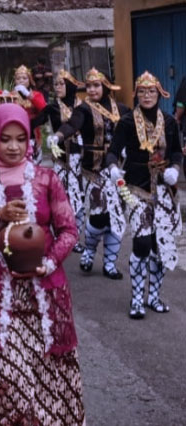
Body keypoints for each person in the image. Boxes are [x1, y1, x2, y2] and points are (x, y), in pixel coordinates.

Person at [0, 103, 84, 425]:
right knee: (8, 376)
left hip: (46, 290)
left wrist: (50, 261)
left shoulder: (46, 179)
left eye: (21, 139)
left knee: (50, 372)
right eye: (5, 139)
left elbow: (69, 230)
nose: (14, 147)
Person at [107, 71, 183, 319]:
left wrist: (174, 168)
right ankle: (137, 298)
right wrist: (113, 168)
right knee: (141, 243)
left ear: (160, 94)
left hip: (164, 192)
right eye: (142, 91)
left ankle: (154, 297)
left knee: (159, 246)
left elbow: (176, 153)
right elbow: (113, 152)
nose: (147, 95)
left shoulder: (170, 122)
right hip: (135, 189)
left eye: (151, 91)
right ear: (136, 94)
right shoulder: (127, 122)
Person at [51, 68, 131, 279]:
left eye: (97, 85)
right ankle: (89, 251)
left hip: (118, 170)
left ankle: (110, 263)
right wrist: (58, 136)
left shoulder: (121, 109)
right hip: (94, 170)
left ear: (105, 86)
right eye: (89, 86)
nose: (93, 90)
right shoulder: (84, 109)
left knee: (116, 215)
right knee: (99, 214)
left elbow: (133, 130)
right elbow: (72, 125)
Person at [34, 70, 86, 253]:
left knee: (79, 197)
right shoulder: (52, 107)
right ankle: (60, 234)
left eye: (61, 84)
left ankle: (76, 237)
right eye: (56, 84)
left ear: (71, 86)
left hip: (81, 159)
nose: (58, 88)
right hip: (61, 158)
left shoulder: (83, 107)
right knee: (61, 197)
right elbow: (34, 121)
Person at [13, 65, 47, 165]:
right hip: (17, 133)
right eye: (18, 78)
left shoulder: (36, 94)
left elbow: (43, 108)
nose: (21, 81)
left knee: (36, 165)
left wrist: (28, 95)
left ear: (30, 80)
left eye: (24, 78)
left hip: (33, 134)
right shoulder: (11, 96)